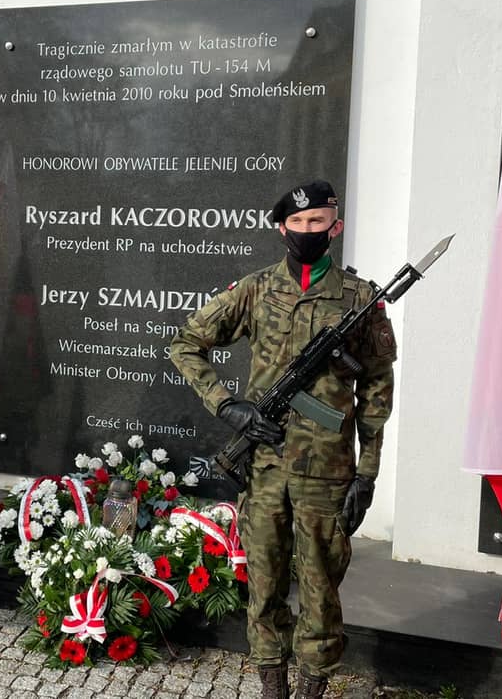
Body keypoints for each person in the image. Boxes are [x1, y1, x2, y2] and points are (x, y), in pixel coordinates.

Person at [168, 180, 396, 699]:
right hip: (265, 466)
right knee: (265, 586)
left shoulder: (361, 299)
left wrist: (367, 474)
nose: (307, 230)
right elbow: (186, 343)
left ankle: (312, 688)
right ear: (282, 229)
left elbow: (377, 393)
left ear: (335, 227)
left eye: (318, 221)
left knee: (321, 592)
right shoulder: (255, 290)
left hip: (327, 473)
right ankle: (273, 687)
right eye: (298, 222)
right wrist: (228, 406)